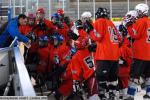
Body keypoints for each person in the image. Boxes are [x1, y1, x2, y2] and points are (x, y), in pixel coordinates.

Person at [123, 3, 150, 99]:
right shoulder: (148, 21)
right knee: (148, 76)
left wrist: (129, 25)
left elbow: (135, 35)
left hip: (141, 54)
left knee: (134, 76)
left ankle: (130, 95)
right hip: (149, 54)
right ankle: (148, 94)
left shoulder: (141, 21)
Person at [91, 7, 119, 100]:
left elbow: (97, 37)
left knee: (101, 77)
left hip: (104, 55)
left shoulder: (100, 21)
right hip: (114, 56)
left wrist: (90, 31)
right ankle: (112, 95)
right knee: (112, 78)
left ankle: (103, 95)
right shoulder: (111, 23)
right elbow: (119, 38)